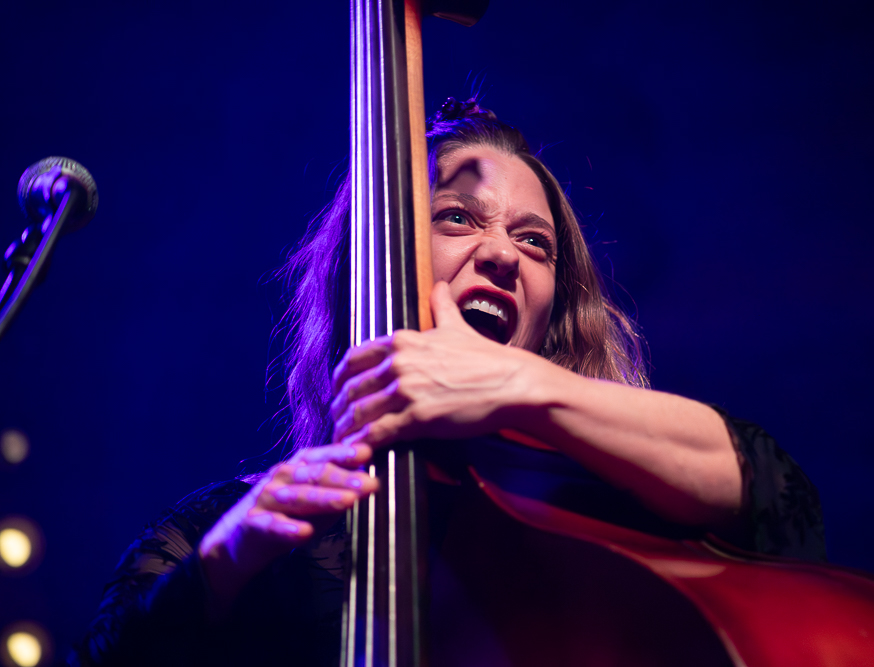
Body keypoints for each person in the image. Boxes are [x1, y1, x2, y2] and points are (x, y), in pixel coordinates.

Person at [70, 99, 824, 666]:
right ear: (377, 258)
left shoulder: (601, 500)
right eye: (460, 218)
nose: (503, 254)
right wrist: (229, 563)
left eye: (535, 241)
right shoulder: (237, 523)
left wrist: (517, 383)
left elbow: (781, 509)